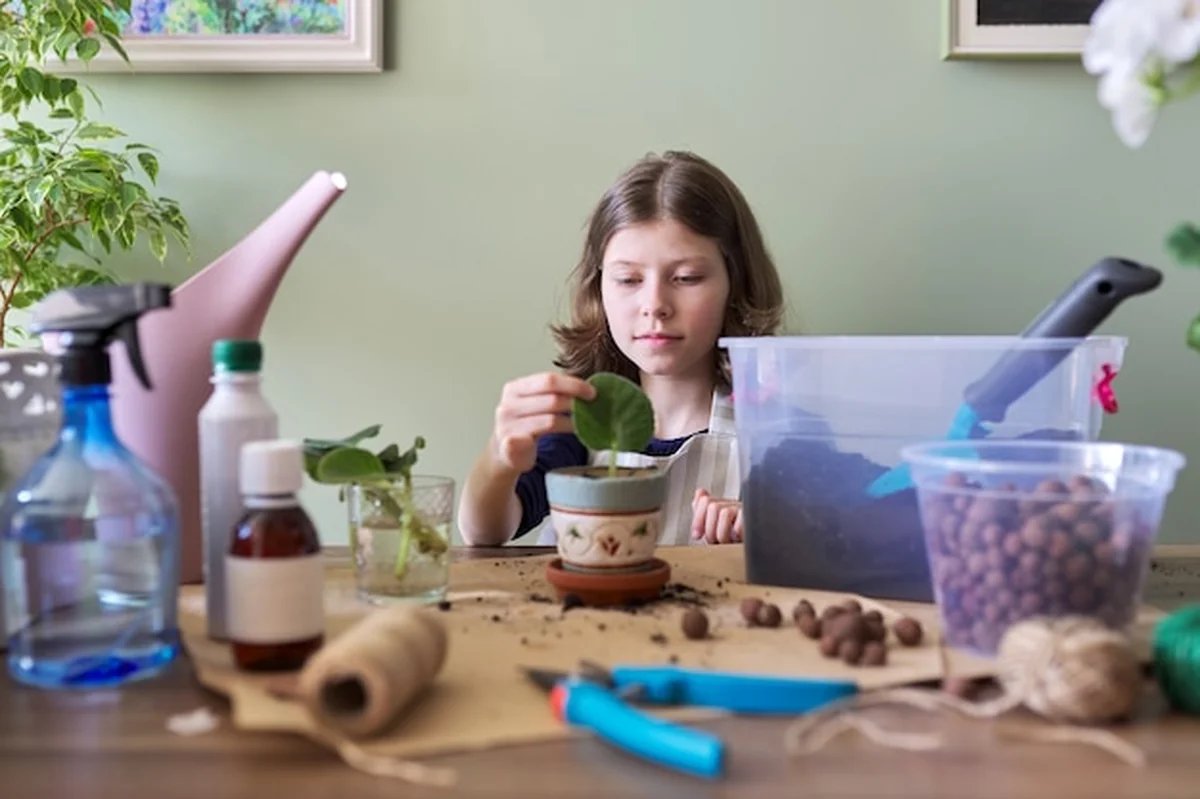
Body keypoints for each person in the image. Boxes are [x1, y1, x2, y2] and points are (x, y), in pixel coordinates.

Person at [457, 150, 785, 548]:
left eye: (686, 277)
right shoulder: (579, 421)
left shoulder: (779, 427)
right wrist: (500, 456)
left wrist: (771, 527)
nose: (654, 304)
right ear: (599, 290)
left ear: (736, 283)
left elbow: (853, 523)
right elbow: (484, 532)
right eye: (628, 280)